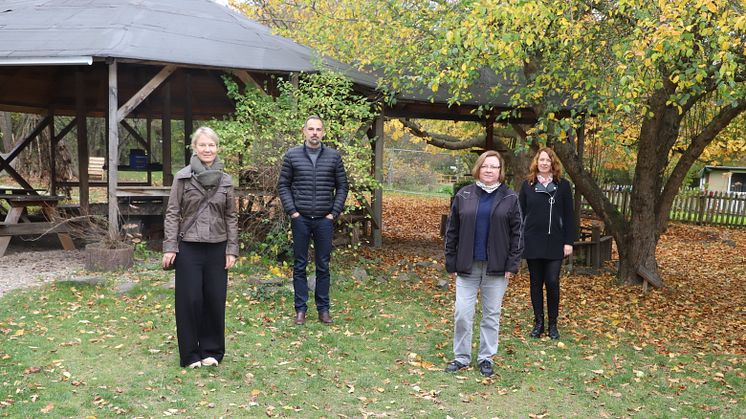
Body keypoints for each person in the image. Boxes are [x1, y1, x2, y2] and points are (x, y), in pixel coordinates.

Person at [162, 126, 238, 368]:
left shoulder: (226, 180)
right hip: (189, 247)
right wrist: (170, 246)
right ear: (194, 148)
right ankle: (190, 354)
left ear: (217, 148)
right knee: (190, 300)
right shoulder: (182, 177)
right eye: (203, 145)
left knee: (214, 300)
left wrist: (232, 249)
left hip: (218, 247)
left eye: (212, 145)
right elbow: (173, 213)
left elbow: (231, 216)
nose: (208, 149)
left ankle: (212, 351)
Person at [444, 150, 523, 377]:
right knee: (462, 313)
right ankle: (461, 358)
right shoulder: (464, 195)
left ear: (500, 171)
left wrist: (512, 264)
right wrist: (451, 261)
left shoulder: (510, 198)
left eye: (494, 167)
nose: (489, 170)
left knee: (491, 314)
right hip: (466, 266)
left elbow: (518, 233)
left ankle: (486, 358)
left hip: (496, 267)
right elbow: (452, 231)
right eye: (486, 166)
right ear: (479, 168)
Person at [277, 116, 348, 326]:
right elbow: (283, 185)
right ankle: (300, 310)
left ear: (323, 133)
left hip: (324, 220)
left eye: (318, 129)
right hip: (301, 219)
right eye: (311, 129)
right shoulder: (292, 155)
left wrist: (333, 213)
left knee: (323, 266)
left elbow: (343, 186)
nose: (314, 132)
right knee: (299, 266)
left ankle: (323, 310)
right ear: (304, 131)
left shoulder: (334, 157)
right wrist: (293, 212)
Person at [519, 147, 575, 340]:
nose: (544, 163)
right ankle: (538, 323)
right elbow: (520, 213)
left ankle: (553, 324)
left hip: (555, 242)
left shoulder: (563, 186)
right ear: (537, 162)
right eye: (541, 160)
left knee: (552, 281)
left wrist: (569, 241)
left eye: (548, 160)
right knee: (535, 283)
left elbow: (570, 216)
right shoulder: (527, 185)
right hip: (533, 241)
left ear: (553, 163)